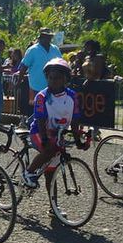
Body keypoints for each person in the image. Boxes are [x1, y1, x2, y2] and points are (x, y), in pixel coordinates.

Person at [21, 58, 83, 194]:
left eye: (57, 78)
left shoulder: (72, 96)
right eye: (50, 78)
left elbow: (75, 121)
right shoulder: (41, 97)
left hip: (57, 136)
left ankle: (53, 207)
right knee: (49, 150)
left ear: (65, 79)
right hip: (39, 131)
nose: (53, 81)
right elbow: (41, 120)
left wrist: (78, 140)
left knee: (51, 173)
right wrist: (44, 140)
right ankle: (29, 172)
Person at [18, 29, 63, 109]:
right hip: (36, 87)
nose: (49, 39)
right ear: (41, 37)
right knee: (37, 111)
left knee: (52, 110)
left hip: (53, 87)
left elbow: (61, 65)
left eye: (50, 37)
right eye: (46, 36)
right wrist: (19, 82)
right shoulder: (32, 50)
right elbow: (24, 67)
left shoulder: (55, 49)